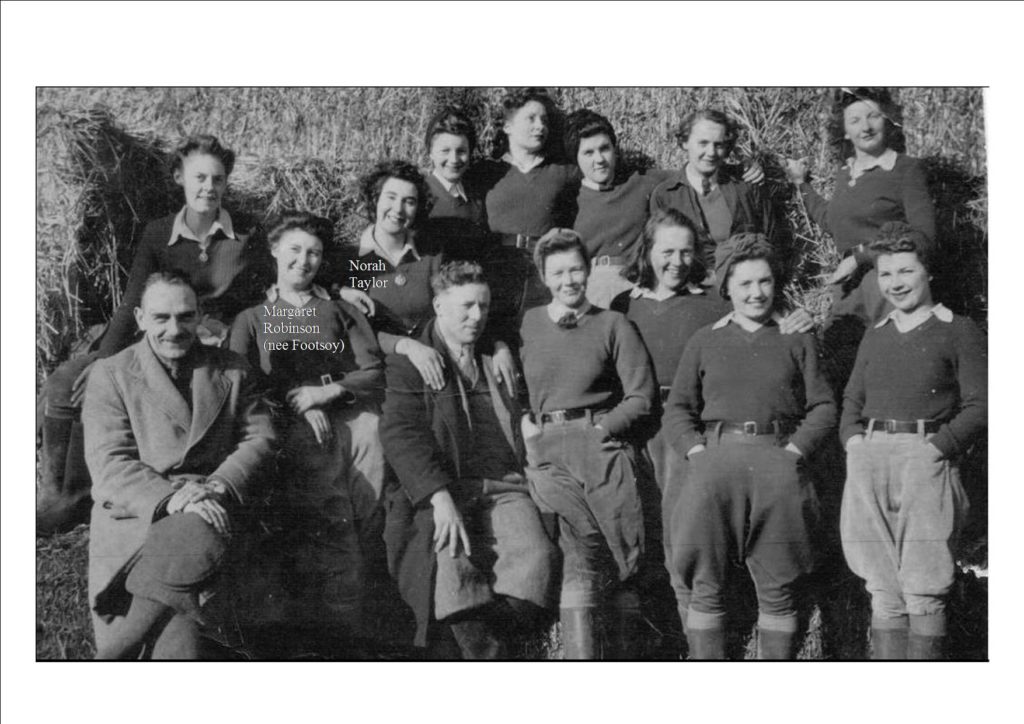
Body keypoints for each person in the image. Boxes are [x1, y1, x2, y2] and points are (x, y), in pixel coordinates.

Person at [37, 134, 264, 535]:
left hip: (206, 340)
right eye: (199, 178)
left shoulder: (247, 236)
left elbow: (272, 289)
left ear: (227, 183)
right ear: (179, 177)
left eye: (218, 179)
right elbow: (131, 304)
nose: (208, 188)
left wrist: (345, 287)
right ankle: (62, 494)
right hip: (158, 329)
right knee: (64, 382)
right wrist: (105, 362)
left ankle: (85, 495)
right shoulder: (159, 232)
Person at [83, 271, 275, 659]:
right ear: (139, 318)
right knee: (194, 535)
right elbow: (110, 463)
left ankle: (112, 657)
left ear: (200, 315)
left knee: (197, 529)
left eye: (185, 317)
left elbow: (261, 437)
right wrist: (176, 500)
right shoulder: (111, 374)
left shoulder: (231, 368)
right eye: (161, 318)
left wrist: (219, 484)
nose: (175, 329)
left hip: (213, 501)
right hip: (138, 515)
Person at [663, 233, 836, 659]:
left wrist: (794, 453)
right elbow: (678, 408)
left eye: (764, 282)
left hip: (777, 467)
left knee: (779, 585)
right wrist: (698, 454)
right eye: (745, 284)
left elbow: (824, 406)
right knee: (704, 585)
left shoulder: (797, 337)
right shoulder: (705, 340)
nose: (756, 292)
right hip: (715, 467)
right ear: (727, 288)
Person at [380, 261, 557, 659]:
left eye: (484, 306)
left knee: (537, 557)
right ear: (439, 306)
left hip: (503, 484)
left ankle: (493, 642)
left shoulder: (493, 358)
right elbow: (400, 435)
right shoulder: (411, 364)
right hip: (446, 487)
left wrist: (499, 348)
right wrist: (439, 499)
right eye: (466, 307)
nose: (476, 317)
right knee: (451, 564)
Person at [229, 212, 385, 634]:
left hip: (346, 416)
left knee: (368, 445)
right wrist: (298, 401)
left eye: (314, 252)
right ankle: (323, 611)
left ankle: (357, 601)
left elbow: (372, 370)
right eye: (295, 249)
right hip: (285, 424)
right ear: (275, 251)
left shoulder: (340, 310)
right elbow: (242, 382)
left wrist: (326, 391)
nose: (304, 259)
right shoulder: (253, 318)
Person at [839, 223, 986, 660]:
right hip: (871, 460)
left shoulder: (957, 329)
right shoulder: (877, 332)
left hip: (927, 461)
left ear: (928, 273)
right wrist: (854, 445)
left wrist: (935, 450)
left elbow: (982, 405)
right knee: (882, 587)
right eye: (886, 274)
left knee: (924, 587)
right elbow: (851, 401)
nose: (896, 283)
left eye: (906, 271)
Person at [520, 229, 657, 659]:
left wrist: (602, 430)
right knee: (580, 547)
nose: (569, 280)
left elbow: (642, 396)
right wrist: (526, 424)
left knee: (617, 556)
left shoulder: (613, 323)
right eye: (558, 272)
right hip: (547, 450)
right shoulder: (526, 324)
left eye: (576, 269)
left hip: (599, 447)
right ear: (544, 276)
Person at [338, 159, 517, 396]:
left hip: (439, 367)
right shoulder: (349, 260)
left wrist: (498, 345)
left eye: (409, 201)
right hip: (384, 376)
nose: (398, 209)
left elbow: (467, 301)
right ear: (375, 199)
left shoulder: (434, 256)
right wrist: (406, 347)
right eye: (390, 197)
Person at [568, 109, 764, 308]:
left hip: (632, 282)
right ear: (575, 157)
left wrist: (742, 168)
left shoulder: (642, 182)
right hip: (592, 284)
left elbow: (697, 170)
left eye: (604, 148)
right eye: (588, 153)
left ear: (614, 149)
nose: (599, 159)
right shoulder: (569, 198)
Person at [785, 88, 936, 331]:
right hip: (846, 285)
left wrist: (860, 256)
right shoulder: (845, 173)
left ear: (887, 120)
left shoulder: (905, 169)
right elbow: (830, 220)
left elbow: (924, 236)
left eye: (873, 116)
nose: (865, 127)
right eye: (855, 120)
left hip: (887, 280)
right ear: (844, 131)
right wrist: (801, 184)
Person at [475, 88, 579, 343]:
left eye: (544, 120)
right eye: (530, 119)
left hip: (542, 274)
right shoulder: (486, 171)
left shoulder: (564, 172)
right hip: (497, 273)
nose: (539, 126)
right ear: (508, 126)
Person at [650, 109, 782, 272]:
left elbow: (772, 240)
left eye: (718, 145)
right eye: (703, 143)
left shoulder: (747, 185)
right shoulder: (666, 195)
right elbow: (660, 253)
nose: (711, 153)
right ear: (684, 142)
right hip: (691, 290)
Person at [418, 106, 492, 262]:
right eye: (445, 151)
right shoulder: (420, 194)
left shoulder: (476, 196)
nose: (454, 159)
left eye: (461, 151)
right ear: (430, 152)